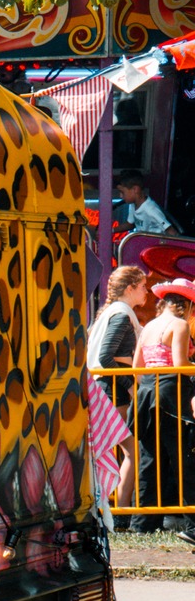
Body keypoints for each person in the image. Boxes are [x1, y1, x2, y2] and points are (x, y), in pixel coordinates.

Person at [132, 279, 195, 544]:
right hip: (170, 394)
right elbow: (180, 363)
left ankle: (142, 523)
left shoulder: (149, 326)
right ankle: (192, 522)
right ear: (186, 305)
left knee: (149, 458)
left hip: (147, 392)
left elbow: (137, 367)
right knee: (183, 457)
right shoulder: (179, 325)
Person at [89, 264, 152, 514]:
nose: (146, 291)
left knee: (122, 451)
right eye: (143, 286)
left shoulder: (111, 313)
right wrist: (130, 385)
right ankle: (122, 510)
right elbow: (106, 356)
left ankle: (118, 508)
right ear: (129, 288)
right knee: (132, 452)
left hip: (107, 388)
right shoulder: (121, 315)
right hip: (111, 390)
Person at [115, 170, 176, 236]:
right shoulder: (133, 204)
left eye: (122, 192)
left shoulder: (151, 209)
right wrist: (112, 230)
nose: (120, 196)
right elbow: (130, 224)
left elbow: (171, 231)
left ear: (135, 189)